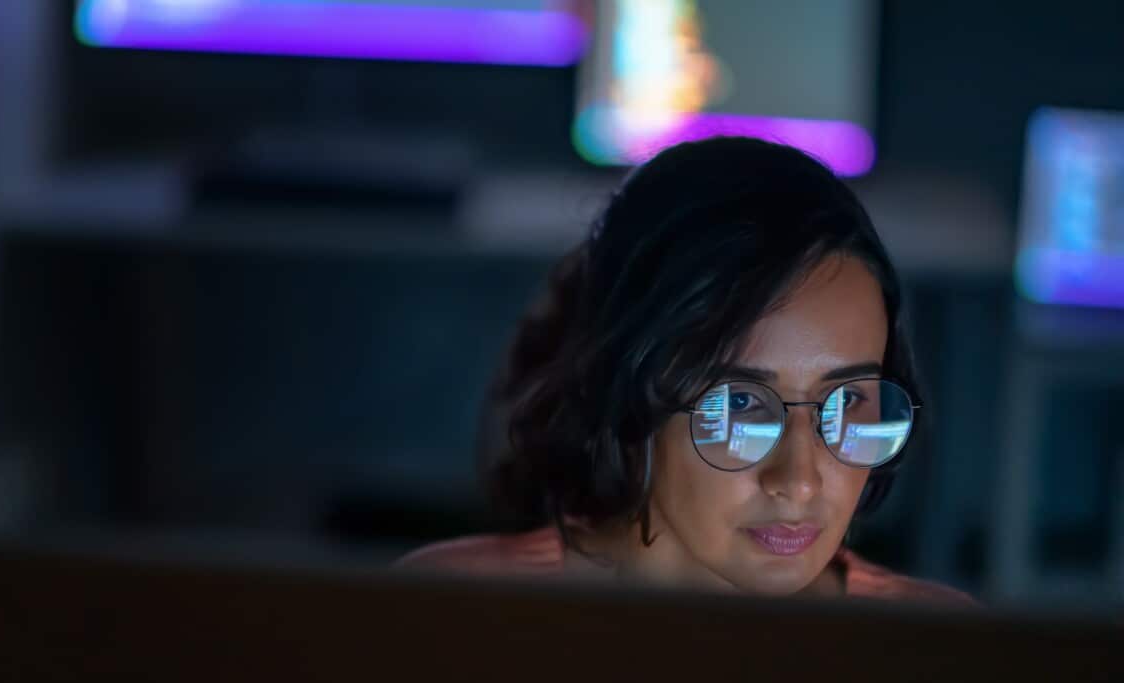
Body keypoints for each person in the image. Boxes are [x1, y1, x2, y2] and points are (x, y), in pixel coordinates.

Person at [400, 137, 973, 604]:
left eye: (848, 401)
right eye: (742, 403)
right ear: (628, 395)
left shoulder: (935, 651)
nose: (799, 480)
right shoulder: (451, 614)